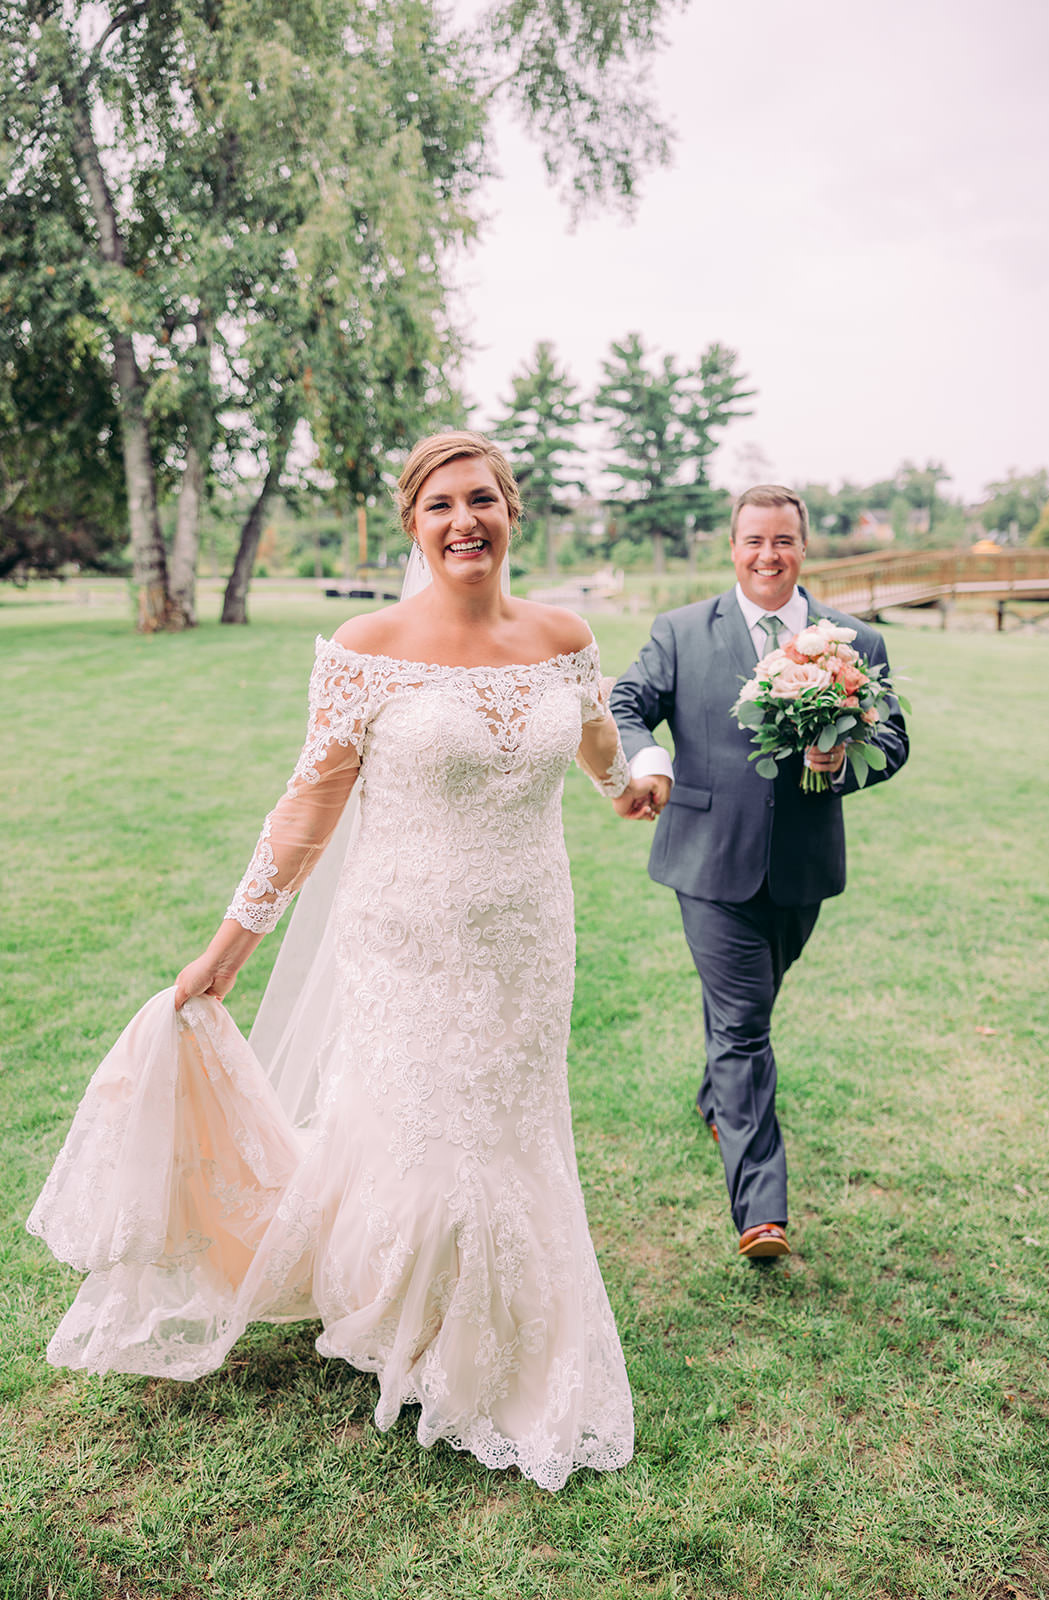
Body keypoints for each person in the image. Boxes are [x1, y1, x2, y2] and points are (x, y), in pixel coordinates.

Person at [28, 430, 652, 1492]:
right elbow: (309, 804)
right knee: (429, 1133)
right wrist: (230, 944)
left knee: (508, 1128)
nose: (466, 521)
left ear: (512, 513)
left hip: (528, 938)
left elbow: (592, 734)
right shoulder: (366, 646)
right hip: (406, 939)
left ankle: (486, 1325)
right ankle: (418, 1326)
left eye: (484, 500)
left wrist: (628, 781)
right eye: (443, 504)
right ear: (412, 524)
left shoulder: (563, 636)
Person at [609, 485, 908, 1261]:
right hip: (706, 857)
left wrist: (842, 763)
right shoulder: (679, 632)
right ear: (731, 547)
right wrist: (649, 760)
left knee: (744, 1011)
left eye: (783, 540)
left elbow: (895, 741)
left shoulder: (855, 641)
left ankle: (717, 1096)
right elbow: (627, 701)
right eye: (753, 541)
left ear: (803, 547)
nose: (767, 555)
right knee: (744, 1024)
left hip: (804, 866)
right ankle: (760, 1210)